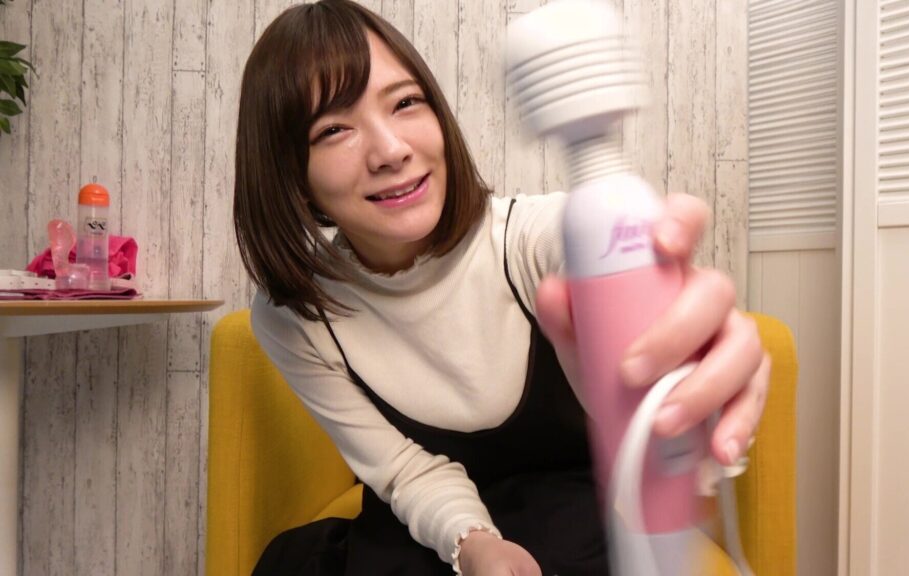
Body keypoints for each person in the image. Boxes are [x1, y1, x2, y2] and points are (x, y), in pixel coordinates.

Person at [233, 1, 770, 574]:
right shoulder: (296, 316)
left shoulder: (545, 239)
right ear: (293, 176)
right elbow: (401, 470)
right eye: (333, 130)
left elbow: (657, 333)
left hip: (573, 519)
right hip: (423, 532)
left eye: (406, 102)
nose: (390, 151)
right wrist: (473, 544)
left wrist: (692, 354)